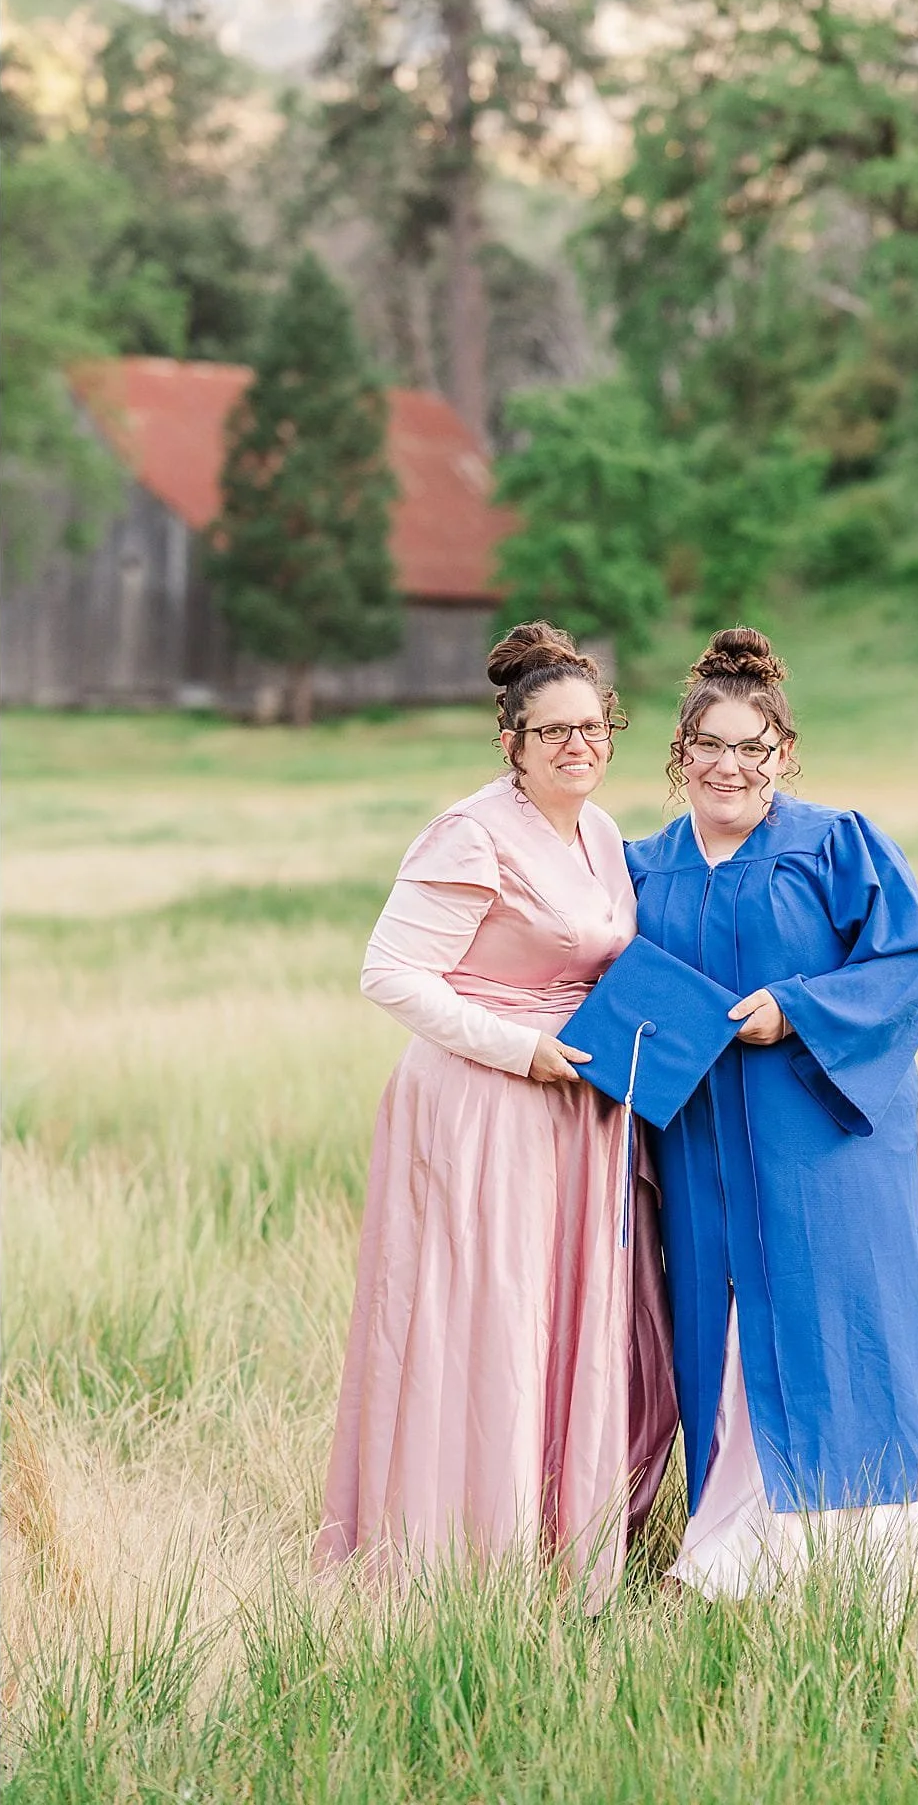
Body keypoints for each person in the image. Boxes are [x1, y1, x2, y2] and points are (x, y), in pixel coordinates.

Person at [318, 622, 676, 1607]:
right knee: (491, 1317)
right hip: (484, 1105)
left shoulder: (600, 833)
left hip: (581, 1112)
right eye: (552, 730)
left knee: (565, 1316)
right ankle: (463, 1559)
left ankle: (567, 1542)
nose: (578, 745)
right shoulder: (470, 833)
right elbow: (388, 972)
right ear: (511, 742)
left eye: (595, 727)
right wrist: (519, 1049)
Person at [625, 628, 918, 1604]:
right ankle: (727, 1552)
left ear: (784, 753)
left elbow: (905, 966)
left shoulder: (834, 844)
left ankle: (848, 1559)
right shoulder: (636, 868)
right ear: (678, 754)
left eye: (752, 747)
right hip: (697, 1150)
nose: (731, 766)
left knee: (827, 1327)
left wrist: (793, 1009)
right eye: (710, 746)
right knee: (720, 1335)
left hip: (818, 1142)